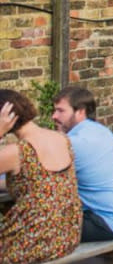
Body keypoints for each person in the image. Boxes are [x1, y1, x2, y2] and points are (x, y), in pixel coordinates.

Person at [51, 86, 113, 242]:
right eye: (54, 111)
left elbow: (34, 179)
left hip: (111, 221)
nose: (54, 116)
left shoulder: (76, 143)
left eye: (61, 111)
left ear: (80, 112)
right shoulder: (100, 131)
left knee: (36, 231)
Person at [0, 89, 81, 263]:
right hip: (66, 237)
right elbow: (36, 182)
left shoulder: (17, 152)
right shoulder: (61, 138)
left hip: (32, 241)